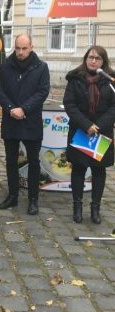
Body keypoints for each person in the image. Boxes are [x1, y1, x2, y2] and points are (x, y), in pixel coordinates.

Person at [0, 33, 50, 215]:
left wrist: (24, 109)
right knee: (11, 161)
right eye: (17, 48)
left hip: (31, 121)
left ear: (31, 47)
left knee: (33, 161)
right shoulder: (5, 66)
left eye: (24, 48)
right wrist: (11, 108)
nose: (20, 52)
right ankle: (13, 196)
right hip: (10, 120)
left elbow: (42, 92)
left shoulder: (41, 67)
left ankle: (33, 199)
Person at [63, 45, 115, 224]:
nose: (93, 61)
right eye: (90, 57)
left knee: (98, 170)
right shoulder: (75, 78)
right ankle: (77, 206)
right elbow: (69, 104)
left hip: (102, 132)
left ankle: (95, 208)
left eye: (97, 58)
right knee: (78, 168)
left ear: (103, 61)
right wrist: (86, 125)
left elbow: (113, 107)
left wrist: (98, 126)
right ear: (85, 59)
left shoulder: (110, 80)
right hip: (80, 130)